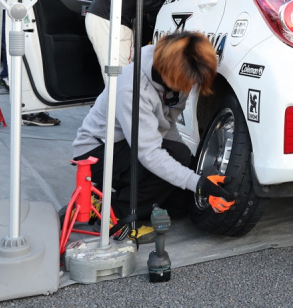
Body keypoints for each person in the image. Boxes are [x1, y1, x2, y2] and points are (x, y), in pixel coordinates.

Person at [72, 31, 235, 240]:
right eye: (188, 82)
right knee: (171, 164)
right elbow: (149, 153)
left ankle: (113, 199)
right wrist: (198, 183)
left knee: (180, 205)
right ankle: (115, 214)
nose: (191, 86)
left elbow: (167, 129)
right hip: (96, 152)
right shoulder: (133, 89)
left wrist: (195, 171)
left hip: (128, 146)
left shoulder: (178, 75)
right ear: (171, 73)